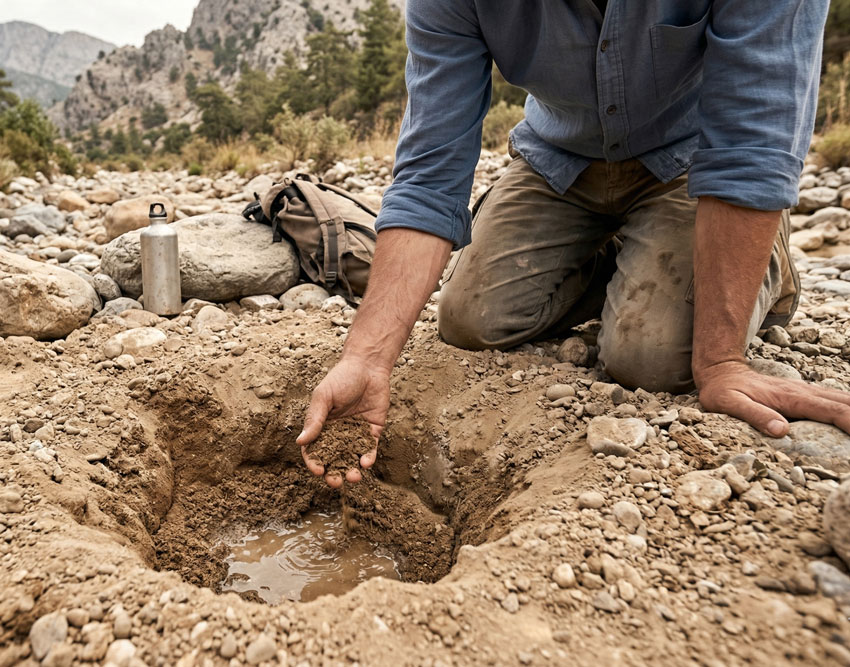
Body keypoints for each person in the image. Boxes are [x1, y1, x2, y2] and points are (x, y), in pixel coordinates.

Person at [298, 0, 850, 488]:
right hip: (558, 160)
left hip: (691, 161)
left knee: (652, 359)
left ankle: (762, 264)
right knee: (472, 319)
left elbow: (754, 141)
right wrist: (367, 358)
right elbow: (428, 176)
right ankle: (632, 263)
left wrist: (722, 360)